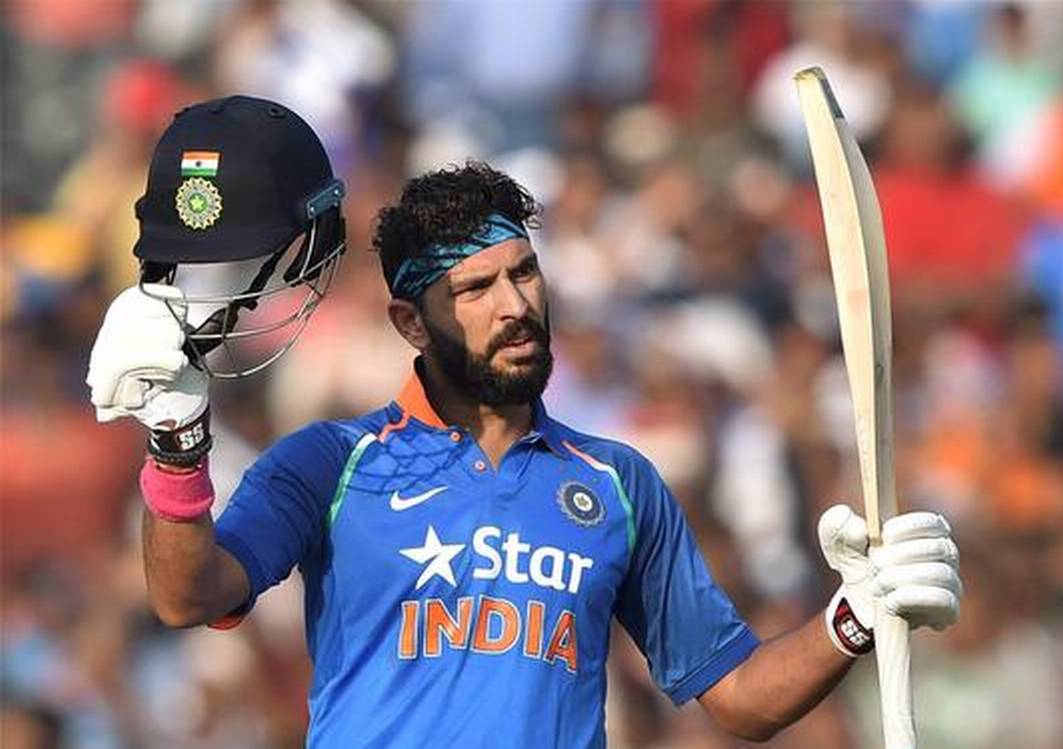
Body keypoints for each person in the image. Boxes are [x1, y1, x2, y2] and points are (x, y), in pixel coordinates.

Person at [89, 159, 962, 746]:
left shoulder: (618, 483)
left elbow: (736, 696)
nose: (515, 305)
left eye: (524, 272)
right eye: (475, 287)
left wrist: (854, 616)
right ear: (410, 322)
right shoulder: (330, 462)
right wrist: (177, 446)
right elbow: (186, 594)